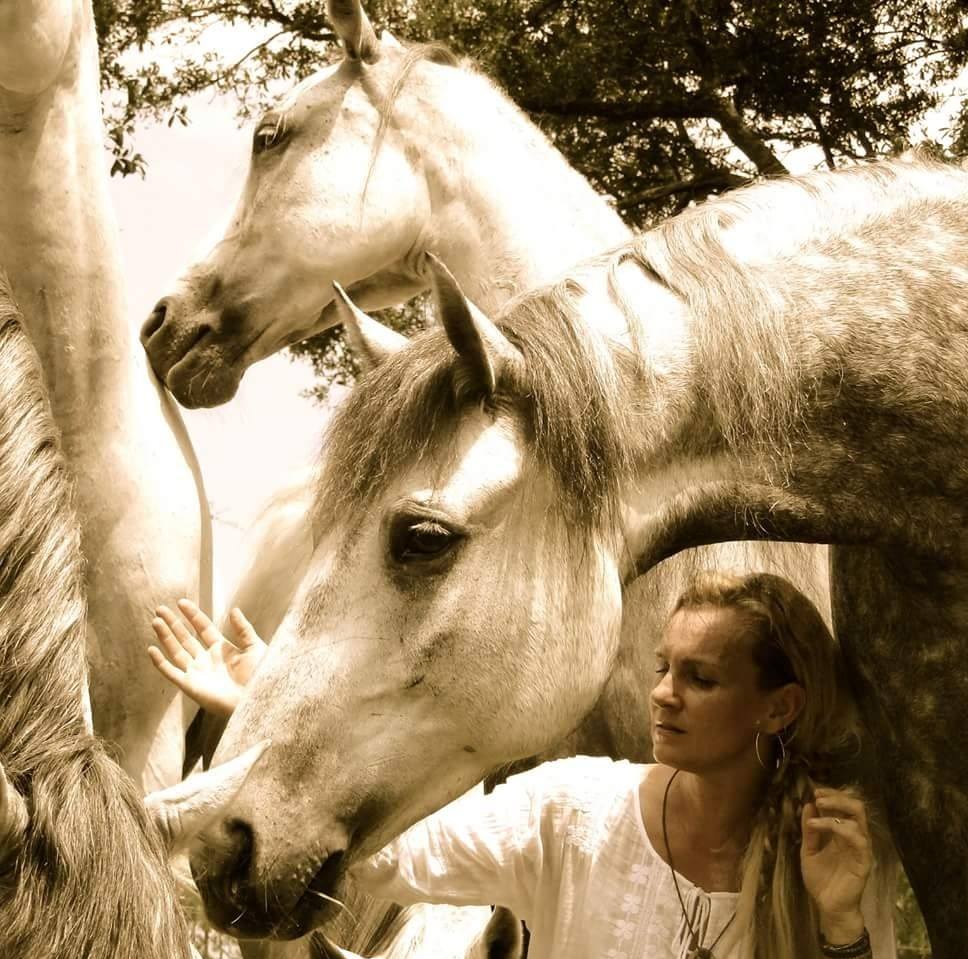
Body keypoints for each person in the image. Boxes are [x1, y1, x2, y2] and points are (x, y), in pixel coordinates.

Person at [149, 571, 896, 959]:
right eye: (664, 666)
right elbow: (390, 855)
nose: (663, 694)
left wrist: (838, 925)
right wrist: (279, 723)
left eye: (702, 678)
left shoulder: (825, 860)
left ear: (779, 707)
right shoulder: (574, 811)